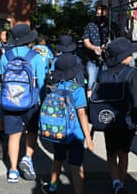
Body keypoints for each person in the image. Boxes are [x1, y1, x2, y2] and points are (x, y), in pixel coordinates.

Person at [102, 37, 137, 194]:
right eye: (130, 53)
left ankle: (116, 182)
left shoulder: (104, 74)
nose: (132, 55)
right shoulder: (132, 73)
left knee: (111, 153)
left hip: (108, 119)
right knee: (123, 153)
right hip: (127, 121)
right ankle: (121, 183)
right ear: (124, 56)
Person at [0, 23, 46, 183]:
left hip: (10, 100)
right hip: (30, 101)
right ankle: (27, 158)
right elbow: (41, 81)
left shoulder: (6, 56)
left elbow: (2, 78)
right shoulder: (35, 56)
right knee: (32, 132)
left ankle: (12, 170)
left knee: (13, 135)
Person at [43, 53, 94, 194]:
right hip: (75, 133)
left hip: (57, 130)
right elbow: (82, 114)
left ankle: (52, 186)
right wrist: (88, 138)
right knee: (76, 165)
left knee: (58, 159)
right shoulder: (77, 89)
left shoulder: (54, 87)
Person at [82, 4, 122, 98]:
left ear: (107, 14)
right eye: (98, 14)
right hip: (92, 59)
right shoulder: (90, 25)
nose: (99, 16)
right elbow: (85, 40)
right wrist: (93, 47)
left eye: (102, 14)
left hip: (108, 59)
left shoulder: (113, 26)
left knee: (106, 81)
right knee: (91, 82)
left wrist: (108, 46)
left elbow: (119, 40)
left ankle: (106, 101)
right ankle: (90, 103)